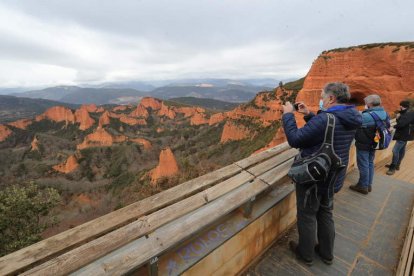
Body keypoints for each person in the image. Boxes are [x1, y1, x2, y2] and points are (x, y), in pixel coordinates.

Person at [282, 82, 362, 266]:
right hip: (334, 177)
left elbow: (295, 139)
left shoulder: (326, 118)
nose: (321, 100)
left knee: (307, 214)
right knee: (325, 212)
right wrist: (309, 114)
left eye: (323, 96)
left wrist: (288, 115)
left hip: (315, 177)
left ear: (331, 98)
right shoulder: (352, 117)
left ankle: (306, 254)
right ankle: (326, 254)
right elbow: (329, 133)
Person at [351, 95, 389, 194]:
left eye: (366, 103)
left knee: (363, 164)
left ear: (369, 104)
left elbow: (354, 123)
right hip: (375, 143)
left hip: (364, 143)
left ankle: (362, 186)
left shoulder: (367, 115)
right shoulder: (384, 113)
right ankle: (368, 184)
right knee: (370, 163)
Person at [386, 100, 414, 175]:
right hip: (406, 134)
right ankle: (397, 165)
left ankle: (393, 167)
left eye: (400, 106)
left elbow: (401, 124)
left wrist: (393, 127)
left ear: (402, 106)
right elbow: (402, 121)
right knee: (402, 150)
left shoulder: (408, 114)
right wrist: (398, 117)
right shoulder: (408, 112)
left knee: (395, 150)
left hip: (403, 134)